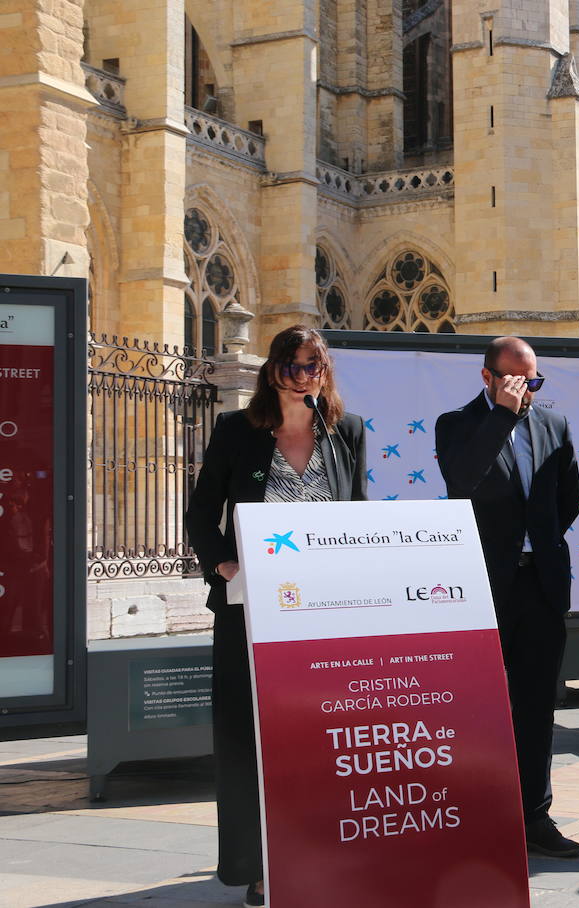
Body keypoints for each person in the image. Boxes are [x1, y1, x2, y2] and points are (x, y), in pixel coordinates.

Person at [186, 326, 367, 907]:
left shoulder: (347, 434)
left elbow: (357, 514)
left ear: (325, 372)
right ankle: (261, 862)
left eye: (312, 366)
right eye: (290, 367)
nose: (301, 376)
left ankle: (321, 853)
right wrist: (224, 566)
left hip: (325, 614)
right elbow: (199, 515)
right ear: (271, 373)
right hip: (250, 612)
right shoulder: (237, 432)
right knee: (253, 741)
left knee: (320, 739)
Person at [434, 336, 579, 858]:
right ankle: (481, 814)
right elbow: (462, 480)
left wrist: (535, 543)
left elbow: (568, 500)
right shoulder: (457, 424)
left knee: (538, 706)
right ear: (488, 378)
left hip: (539, 584)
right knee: (481, 708)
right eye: (516, 380)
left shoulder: (553, 426)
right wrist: (501, 416)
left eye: (533, 382)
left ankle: (534, 816)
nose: (526, 391)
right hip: (481, 586)